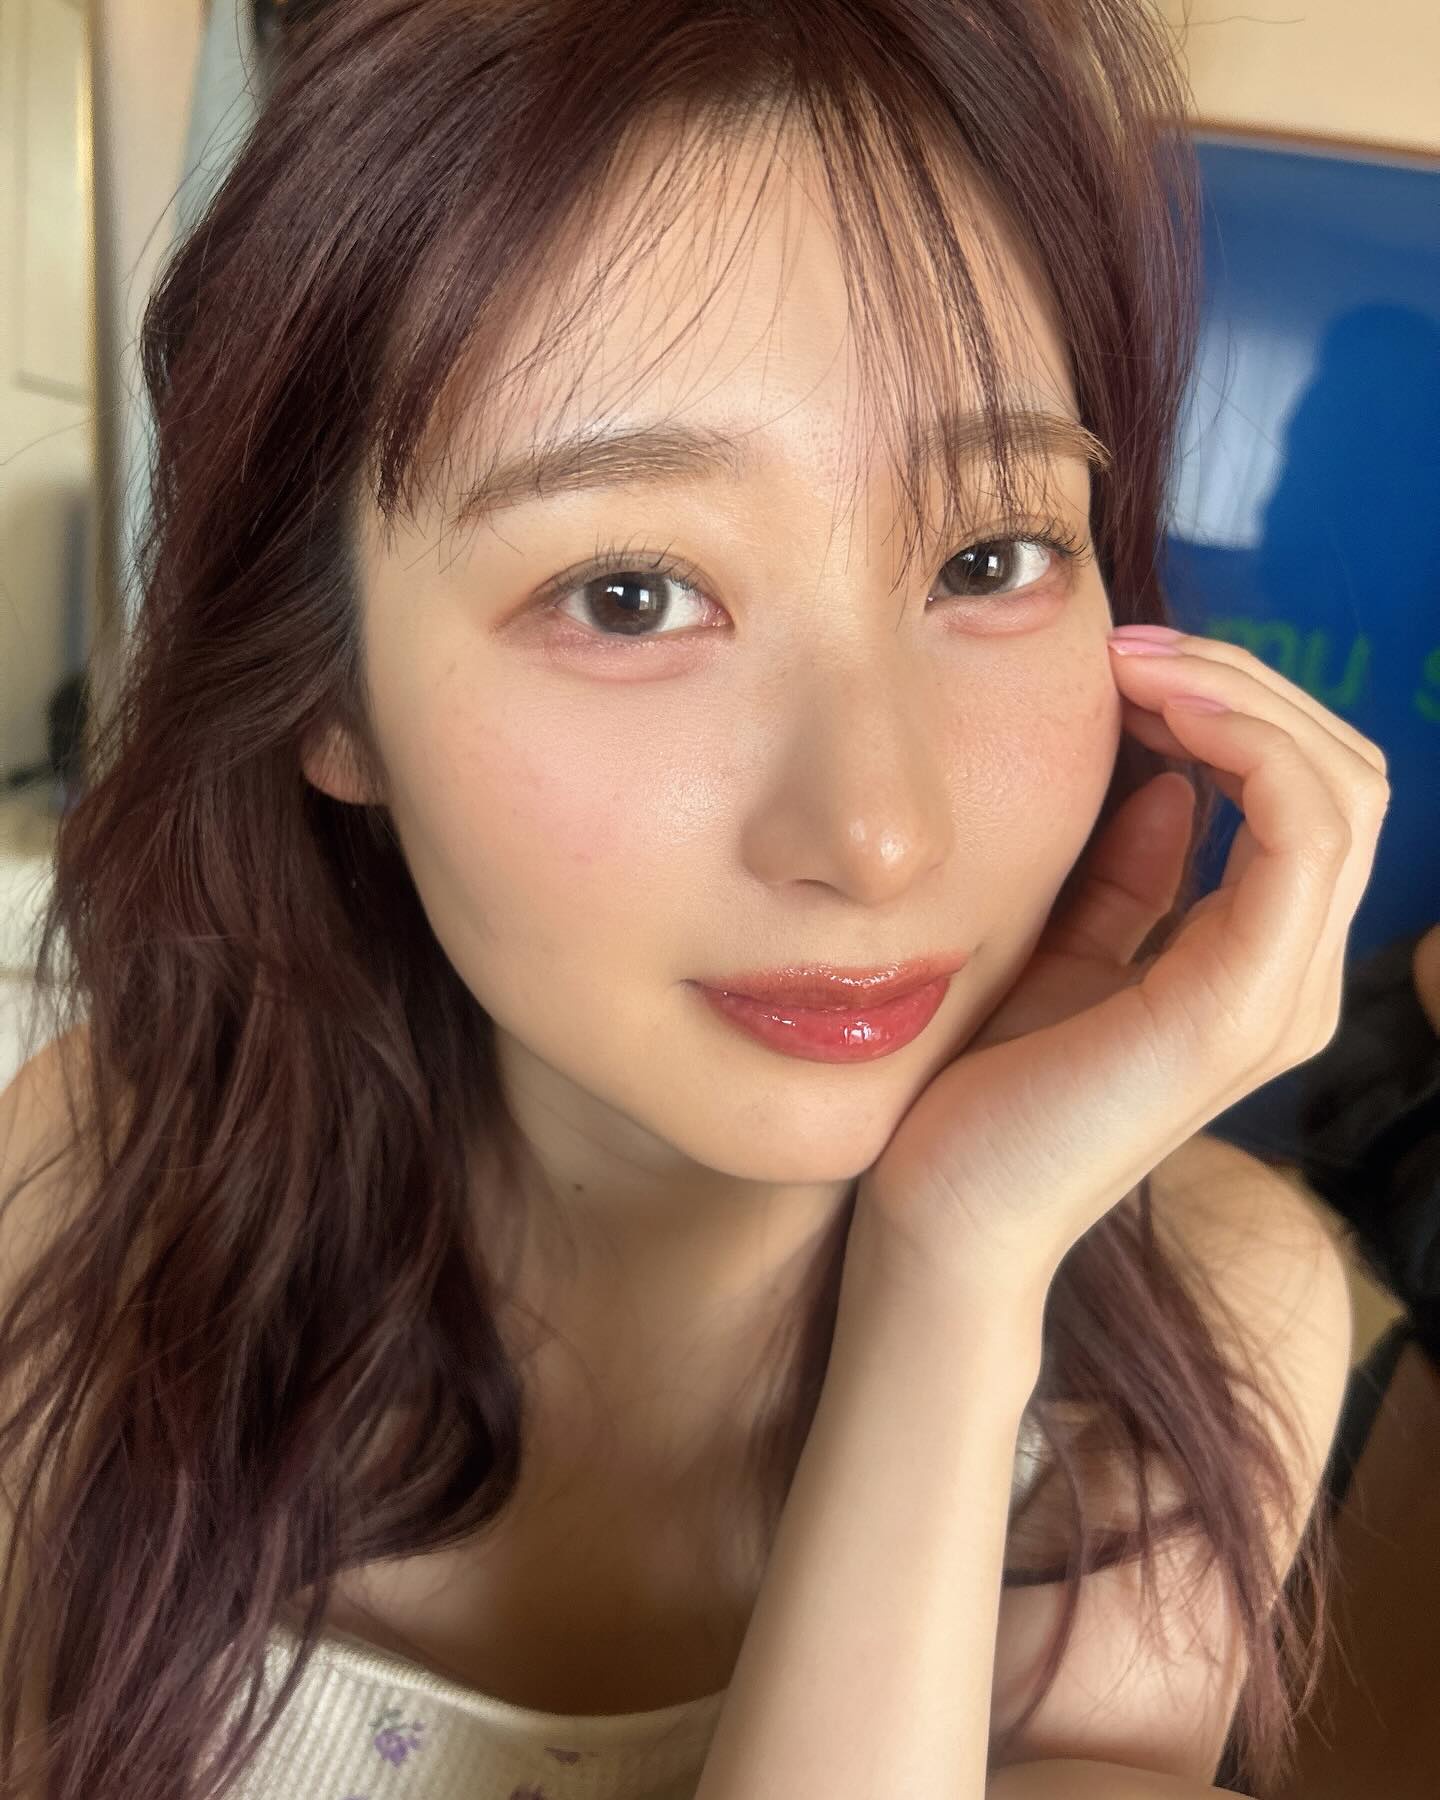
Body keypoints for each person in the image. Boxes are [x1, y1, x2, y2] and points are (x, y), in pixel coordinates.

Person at [0, 3, 1381, 1798]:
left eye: (990, 556)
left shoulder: (1194, 1344)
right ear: (328, 692)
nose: (875, 837)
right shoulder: (99, 1189)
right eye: (630, 595)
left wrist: (958, 1277)